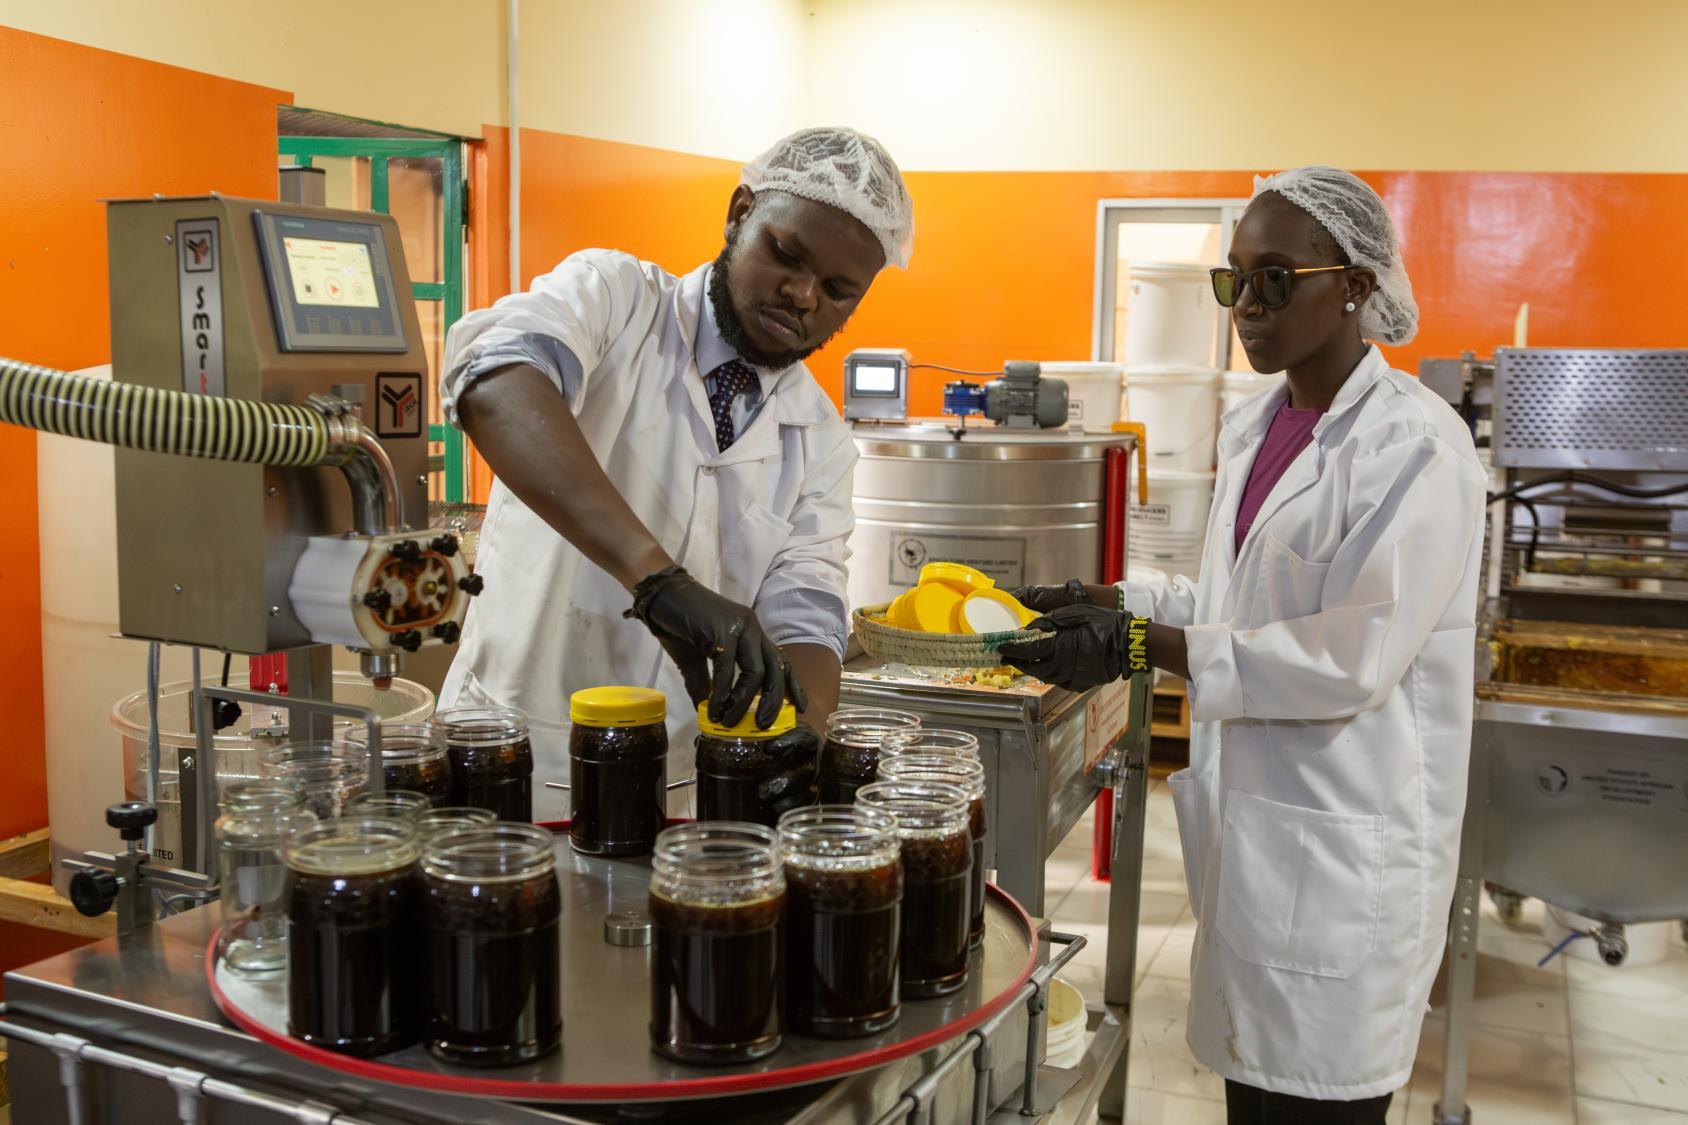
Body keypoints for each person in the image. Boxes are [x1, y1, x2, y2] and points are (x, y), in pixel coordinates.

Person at [999, 167, 1486, 1124]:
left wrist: (1141, 642)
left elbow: (1352, 655)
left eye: (1274, 280)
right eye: (1235, 282)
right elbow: (1231, 599)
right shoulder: (1261, 419)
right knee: (1253, 1100)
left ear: (1352, 284)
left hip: (1344, 854)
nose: (1246, 308)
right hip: (1258, 848)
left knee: (1312, 1108)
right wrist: (1107, 596)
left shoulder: (1417, 448)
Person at [437, 127, 913, 809]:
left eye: (839, 290)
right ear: (740, 211)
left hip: (680, 787)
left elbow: (806, 609)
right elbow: (495, 378)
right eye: (786, 254)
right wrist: (657, 580)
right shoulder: (615, 301)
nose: (804, 296)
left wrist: (802, 735)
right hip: (508, 757)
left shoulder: (820, 440)